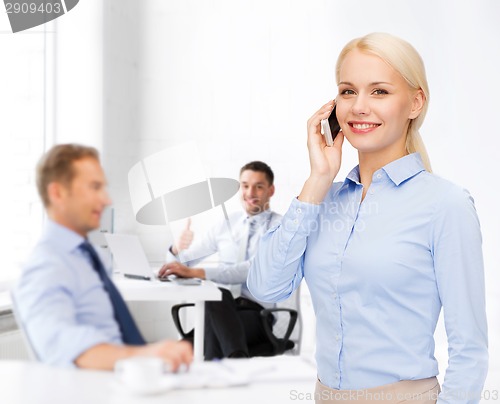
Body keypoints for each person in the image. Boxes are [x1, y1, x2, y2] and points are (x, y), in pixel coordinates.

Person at [247, 33, 488, 403]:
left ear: (415, 102)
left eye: (379, 92)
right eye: (347, 91)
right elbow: (265, 287)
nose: (359, 107)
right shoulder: (322, 202)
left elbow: (469, 350)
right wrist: (317, 180)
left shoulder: (446, 205)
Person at [13, 144, 192, 370]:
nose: (107, 200)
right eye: (94, 187)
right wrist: (147, 355)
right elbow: (66, 345)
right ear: (57, 193)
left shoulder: (89, 256)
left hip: (124, 382)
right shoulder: (45, 265)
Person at [159, 161, 282, 359]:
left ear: (271, 190)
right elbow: (185, 262)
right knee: (180, 350)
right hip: (219, 311)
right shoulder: (227, 224)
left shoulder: (279, 227)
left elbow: (253, 270)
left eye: (258, 186)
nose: (250, 193)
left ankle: (229, 367)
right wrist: (176, 248)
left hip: (256, 314)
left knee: (214, 301)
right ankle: (235, 362)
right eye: (245, 185)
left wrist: (197, 273)